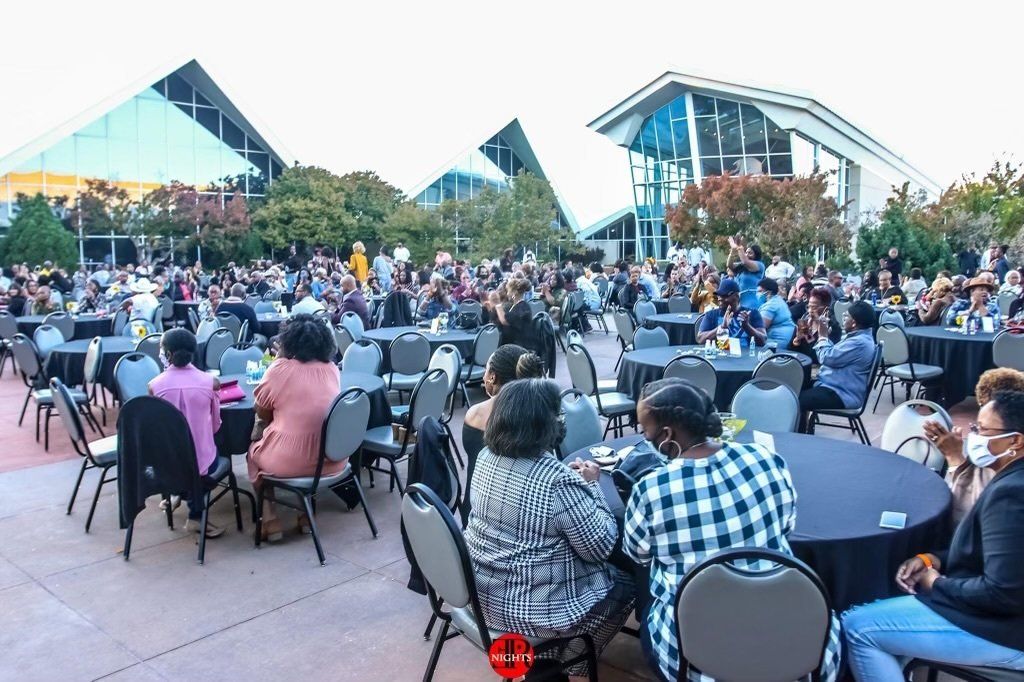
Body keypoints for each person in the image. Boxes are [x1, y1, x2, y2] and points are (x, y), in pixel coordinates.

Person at [623, 378, 840, 682]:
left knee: (650, 611)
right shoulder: (766, 458)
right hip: (794, 644)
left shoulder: (651, 489)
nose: (644, 438)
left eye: (645, 432)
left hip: (696, 655)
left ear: (667, 435)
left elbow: (637, 554)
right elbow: (787, 526)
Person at [843, 390, 1024, 679]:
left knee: (857, 628)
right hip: (1002, 618)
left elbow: (1002, 593)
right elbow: (996, 552)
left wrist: (935, 583)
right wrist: (933, 559)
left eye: (982, 429)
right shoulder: (1010, 479)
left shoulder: (1011, 494)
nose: (971, 435)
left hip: (1006, 632)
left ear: (1015, 440)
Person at [465, 378, 635, 681]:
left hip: (483, 595)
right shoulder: (556, 480)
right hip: (534, 610)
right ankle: (560, 661)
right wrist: (591, 486)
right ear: (545, 424)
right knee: (631, 579)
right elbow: (600, 548)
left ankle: (542, 664)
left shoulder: (485, 457)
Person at [247, 315, 343, 540]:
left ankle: (270, 520)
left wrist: (280, 358)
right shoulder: (331, 369)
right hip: (331, 461)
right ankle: (305, 516)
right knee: (306, 439)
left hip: (290, 462)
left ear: (287, 341)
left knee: (253, 453)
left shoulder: (280, 369)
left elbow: (261, 410)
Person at [148, 328, 224, 537]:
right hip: (202, 462)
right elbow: (216, 425)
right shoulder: (211, 383)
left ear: (168, 355)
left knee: (180, 458)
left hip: (168, 461)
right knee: (210, 456)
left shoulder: (154, 386)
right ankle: (195, 516)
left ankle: (176, 492)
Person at [922, 368, 1024, 522]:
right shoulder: (997, 451)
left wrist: (954, 456)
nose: (977, 435)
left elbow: (968, 511)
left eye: (983, 427)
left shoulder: (1011, 489)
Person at [461, 345, 544, 520]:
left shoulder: (474, 414)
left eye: (486, 370)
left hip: (474, 509)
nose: (484, 376)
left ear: (493, 376)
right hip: (520, 514)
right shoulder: (538, 418)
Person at [799, 301, 877, 431]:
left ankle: (799, 436)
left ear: (854, 323)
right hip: (834, 385)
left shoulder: (859, 343)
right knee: (796, 385)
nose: (843, 319)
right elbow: (834, 354)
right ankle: (802, 431)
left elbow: (826, 358)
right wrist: (825, 337)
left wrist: (823, 336)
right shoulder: (859, 337)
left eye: (846, 316)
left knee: (796, 400)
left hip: (842, 393)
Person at [695, 277, 767, 347]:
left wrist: (747, 326)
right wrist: (721, 327)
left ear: (737, 296)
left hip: (746, 357)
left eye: (724, 296)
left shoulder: (752, 313)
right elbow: (700, 339)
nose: (720, 299)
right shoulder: (711, 315)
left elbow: (763, 341)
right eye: (719, 295)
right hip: (720, 357)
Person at [484, 278, 533, 348]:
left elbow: (505, 320)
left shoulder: (522, 307)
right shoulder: (516, 305)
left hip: (518, 345)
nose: (507, 294)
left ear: (514, 292)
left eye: (508, 291)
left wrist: (497, 305)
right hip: (511, 343)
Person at [727, 236, 766, 309]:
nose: (747, 255)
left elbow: (745, 262)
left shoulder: (759, 265)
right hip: (740, 302)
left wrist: (739, 248)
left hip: (753, 302)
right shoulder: (742, 267)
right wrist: (733, 250)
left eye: (750, 253)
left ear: (756, 255)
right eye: (746, 252)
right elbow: (729, 265)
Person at [757, 277, 796, 348]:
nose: (757, 294)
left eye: (760, 291)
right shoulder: (778, 300)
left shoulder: (770, 306)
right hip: (787, 338)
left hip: (778, 342)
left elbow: (761, 327)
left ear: (768, 293)